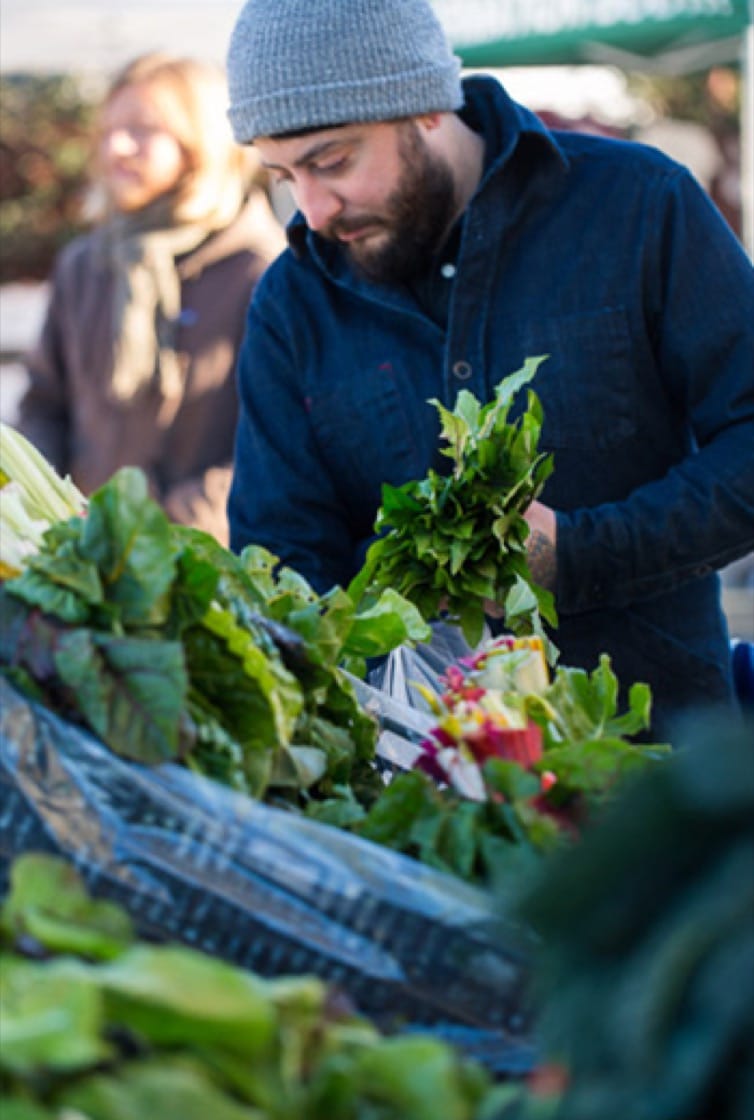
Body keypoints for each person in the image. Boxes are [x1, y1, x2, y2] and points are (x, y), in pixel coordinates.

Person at [224, 0, 754, 737]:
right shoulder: (291, 304)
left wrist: (581, 555)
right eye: (283, 174)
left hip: (662, 770)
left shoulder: (639, 207)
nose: (311, 209)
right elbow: (279, 565)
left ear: (426, 107)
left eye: (331, 161)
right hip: (414, 803)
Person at [17, 51, 285, 546]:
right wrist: (48, 511)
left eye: (143, 129)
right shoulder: (85, 265)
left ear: (201, 143)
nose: (117, 147)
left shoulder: (264, 270)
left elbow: (276, 446)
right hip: (79, 554)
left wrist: (165, 528)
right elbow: (44, 404)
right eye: (109, 131)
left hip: (207, 567)